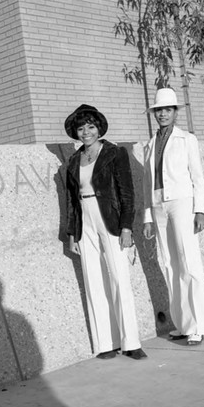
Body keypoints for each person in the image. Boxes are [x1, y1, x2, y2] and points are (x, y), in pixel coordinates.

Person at [64, 104, 147, 360]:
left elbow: (127, 192)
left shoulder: (115, 153)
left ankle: (130, 342)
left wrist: (126, 227)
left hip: (109, 218)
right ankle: (106, 343)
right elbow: (71, 200)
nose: (86, 132)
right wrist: (72, 233)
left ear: (99, 128)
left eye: (90, 126)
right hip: (85, 219)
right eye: (81, 128)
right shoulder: (74, 160)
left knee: (119, 277)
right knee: (93, 278)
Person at [142, 88, 204, 345]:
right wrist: (147, 217)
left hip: (182, 203)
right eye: (158, 111)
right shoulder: (150, 145)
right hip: (158, 205)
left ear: (175, 112)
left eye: (167, 110)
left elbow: (198, 177)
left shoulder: (187, 139)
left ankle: (198, 324)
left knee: (188, 262)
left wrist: (201, 210)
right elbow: (146, 183)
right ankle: (183, 324)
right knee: (170, 264)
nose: (162, 114)